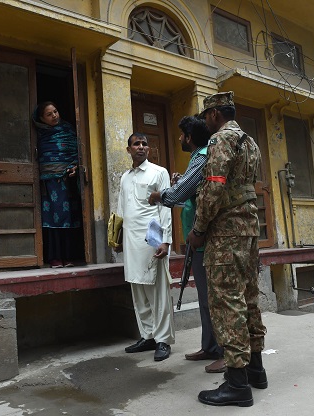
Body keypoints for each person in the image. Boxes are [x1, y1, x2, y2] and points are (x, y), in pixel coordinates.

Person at [188, 91, 268, 407]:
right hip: (249, 227)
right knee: (248, 296)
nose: (206, 122)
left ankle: (236, 384)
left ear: (214, 115)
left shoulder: (221, 141)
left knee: (226, 300)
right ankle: (255, 371)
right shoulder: (249, 141)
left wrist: (198, 229)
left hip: (226, 232)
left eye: (206, 116)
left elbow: (214, 186)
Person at [147, 116, 225, 373]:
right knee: (204, 297)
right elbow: (188, 195)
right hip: (196, 237)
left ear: (189, 137)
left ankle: (225, 352)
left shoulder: (202, 156)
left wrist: (161, 195)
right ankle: (210, 347)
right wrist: (180, 186)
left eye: (181, 135)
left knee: (214, 298)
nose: (179, 139)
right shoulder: (198, 158)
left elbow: (179, 196)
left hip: (207, 238)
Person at [116, 132, 175, 362]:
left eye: (144, 144)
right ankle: (148, 335)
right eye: (136, 144)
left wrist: (165, 240)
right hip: (131, 241)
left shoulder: (159, 173)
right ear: (129, 149)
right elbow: (121, 209)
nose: (141, 147)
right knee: (138, 289)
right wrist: (118, 238)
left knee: (157, 291)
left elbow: (165, 208)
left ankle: (163, 340)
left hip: (152, 239)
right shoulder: (125, 177)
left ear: (148, 149)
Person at [32, 101, 83, 268]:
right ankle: (53, 257)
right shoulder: (37, 133)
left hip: (67, 180)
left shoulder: (68, 130)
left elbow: (77, 152)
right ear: (41, 118)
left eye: (55, 111)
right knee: (51, 220)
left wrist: (75, 166)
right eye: (49, 114)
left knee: (68, 218)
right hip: (48, 183)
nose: (54, 116)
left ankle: (69, 256)